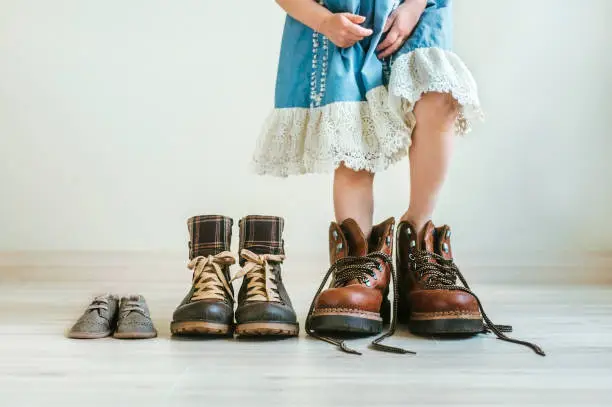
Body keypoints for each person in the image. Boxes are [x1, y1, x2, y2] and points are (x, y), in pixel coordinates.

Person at [254, 0, 544, 356]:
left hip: (410, 10)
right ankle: (358, 263)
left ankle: (418, 243)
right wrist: (325, 21)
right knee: (354, 138)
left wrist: (414, 7)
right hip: (339, 21)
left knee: (439, 97)